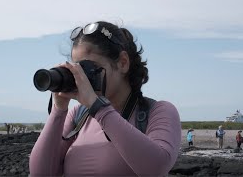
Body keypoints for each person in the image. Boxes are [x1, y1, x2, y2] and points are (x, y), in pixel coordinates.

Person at [29, 21, 181, 176]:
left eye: (88, 68)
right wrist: (58, 110)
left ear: (123, 63)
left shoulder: (158, 111)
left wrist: (98, 108)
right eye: (77, 69)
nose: (82, 78)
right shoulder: (78, 115)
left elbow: (157, 168)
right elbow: (40, 173)